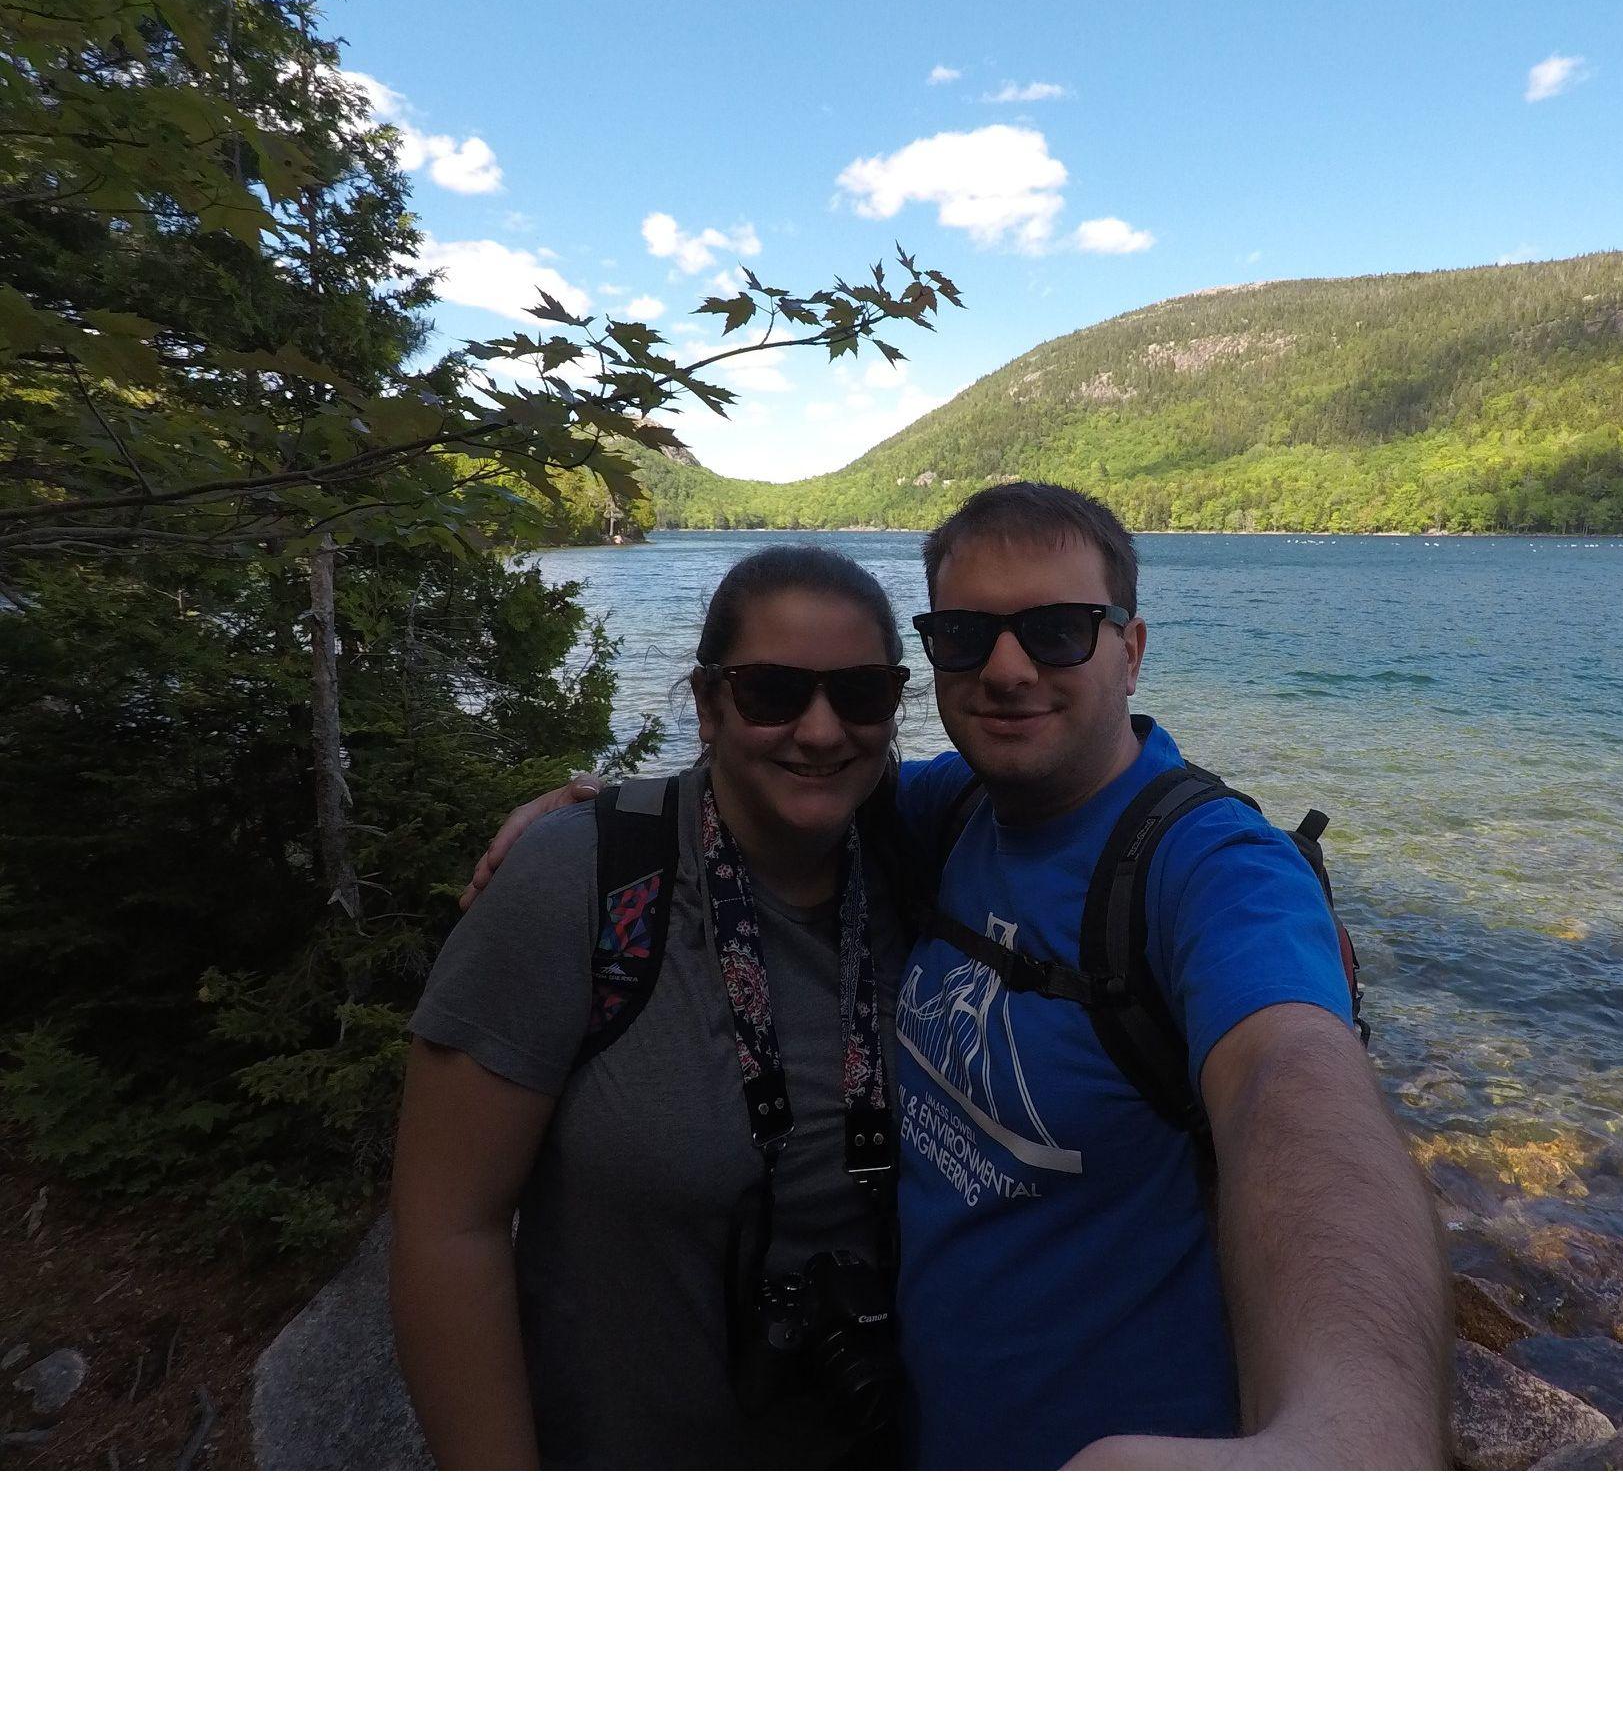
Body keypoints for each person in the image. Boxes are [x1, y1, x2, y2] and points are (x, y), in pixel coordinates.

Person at [468, 485, 1453, 1469]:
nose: (1008, 668)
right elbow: (794, 773)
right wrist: (605, 821)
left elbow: (1292, 1082)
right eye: (967, 635)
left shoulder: (1207, 866)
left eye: (1059, 630)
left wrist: (1351, 1423)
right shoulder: (951, 810)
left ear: (1131, 648)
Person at [389, 545, 912, 1469]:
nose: (823, 730)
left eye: (862, 693)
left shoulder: (927, 862)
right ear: (709, 706)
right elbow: (447, 1229)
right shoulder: (582, 879)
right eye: (772, 693)